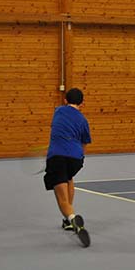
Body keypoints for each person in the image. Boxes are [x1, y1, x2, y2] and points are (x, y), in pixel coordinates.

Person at [44, 88, 92, 247]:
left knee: (61, 199)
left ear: (65, 100)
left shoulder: (58, 111)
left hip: (57, 157)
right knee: (69, 178)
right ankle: (67, 221)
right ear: (82, 103)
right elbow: (84, 143)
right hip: (76, 159)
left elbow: (57, 129)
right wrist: (80, 157)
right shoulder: (83, 120)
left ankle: (72, 219)